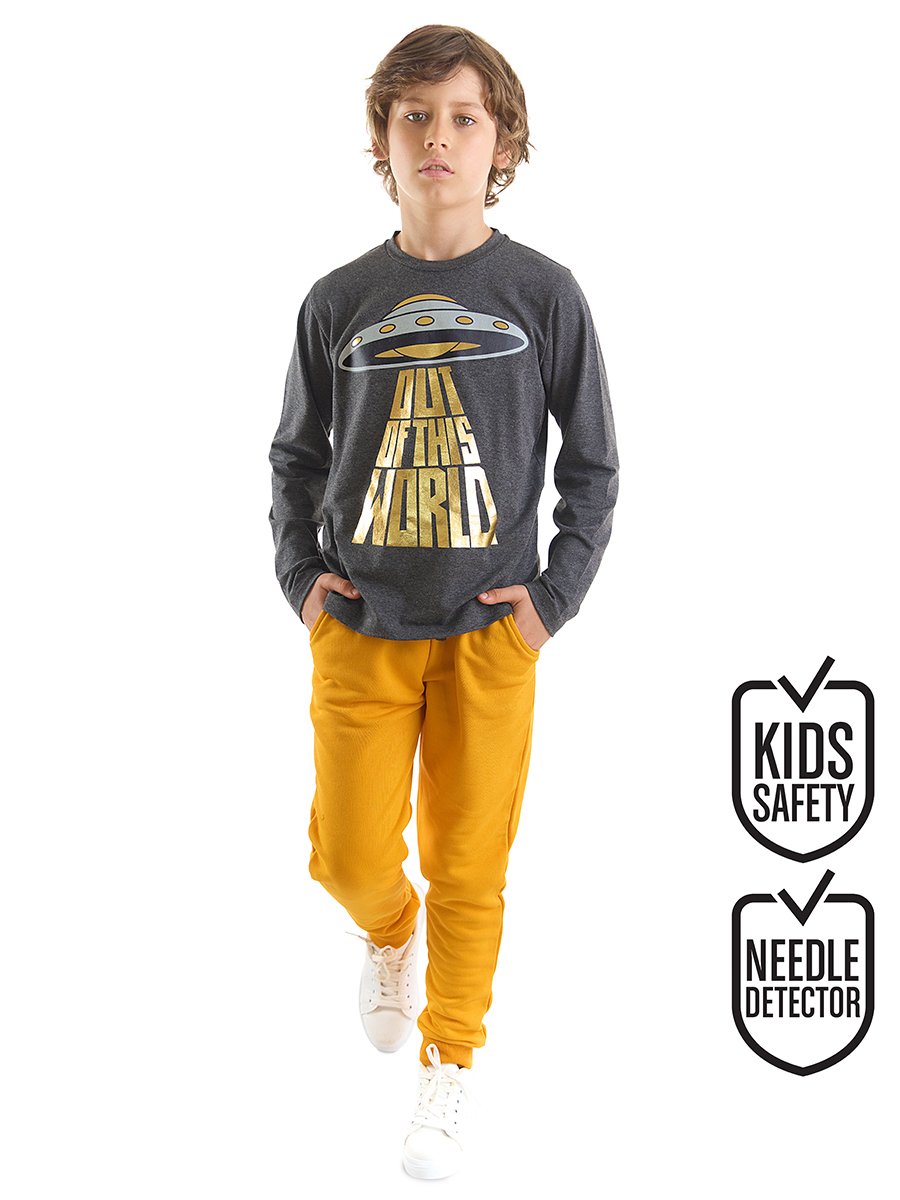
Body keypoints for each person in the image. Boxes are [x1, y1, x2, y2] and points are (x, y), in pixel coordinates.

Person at [269, 25, 618, 1180]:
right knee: (348, 853)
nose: (439, 137)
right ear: (381, 140)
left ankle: (448, 1065)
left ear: (502, 143)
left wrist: (551, 601)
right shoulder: (339, 301)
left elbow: (594, 466)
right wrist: (302, 581)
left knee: (472, 866)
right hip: (361, 629)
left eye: (465, 117)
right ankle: (388, 931)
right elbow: (295, 458)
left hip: (488, 637)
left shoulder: (543, 294)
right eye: (415, 115)